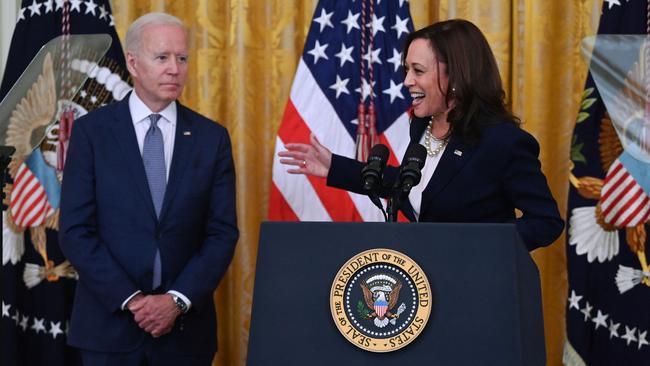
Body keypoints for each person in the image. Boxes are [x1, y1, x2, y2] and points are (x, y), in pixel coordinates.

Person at [279, 19, 563, 251]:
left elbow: (546, 221)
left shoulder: (503, 142)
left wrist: (480, 246)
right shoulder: (422, 126)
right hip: (427, 291)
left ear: (457, 76)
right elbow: (411, 186)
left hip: (480, 297)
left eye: (418, 70)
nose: (406, 82)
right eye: (406, 70)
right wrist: (335, 167)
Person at [59, 12, 238, 365]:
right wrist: (133, 300)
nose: (175, 68)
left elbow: (221, 233)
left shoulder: (211, 138)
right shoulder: (92, 133)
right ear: (133, 62)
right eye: (162, 57)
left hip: (185, 335)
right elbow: (76, 231)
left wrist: (176, 300)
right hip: (108, 331)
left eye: (182, 58)